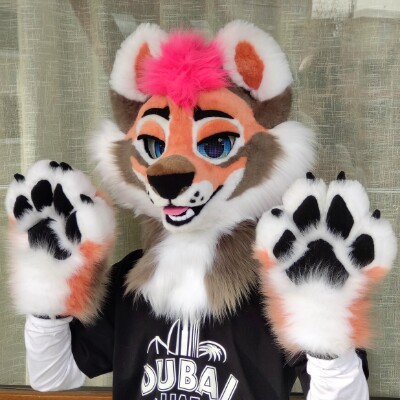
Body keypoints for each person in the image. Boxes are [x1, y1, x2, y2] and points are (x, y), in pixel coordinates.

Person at [6, 21, 396, 400]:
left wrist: (322, 316)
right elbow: (50, 374)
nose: (166, 171)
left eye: (215, 145)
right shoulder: (130, 281)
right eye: (154, 148)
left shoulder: (280, 280)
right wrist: (47, 291)